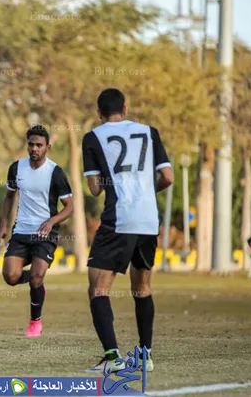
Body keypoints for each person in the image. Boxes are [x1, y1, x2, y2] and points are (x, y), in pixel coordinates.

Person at [81, 88, 173, 372]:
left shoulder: (93, 137)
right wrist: (145, 191)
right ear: (125, 108)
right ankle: (145, 356)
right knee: (142, 288)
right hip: (148, 219)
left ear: (99, 113)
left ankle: (112, 358)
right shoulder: (149, 132)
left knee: (98, 288)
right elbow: (168, 177)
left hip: (119, 219)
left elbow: (95, 188)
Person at [0, 124, 74, 338]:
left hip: (45, 234)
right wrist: (3, 225)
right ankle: (35, 280)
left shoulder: (56, 173)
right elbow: (9, 197)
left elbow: (70, 207)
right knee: (10, 276)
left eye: (39, 145)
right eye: (31, 144)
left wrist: (52, 221)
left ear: (48, 147)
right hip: (21, 231)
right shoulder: (16, 168)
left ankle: (35, 322)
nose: (34, 149)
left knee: (36, 278)